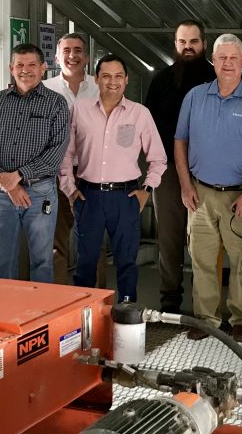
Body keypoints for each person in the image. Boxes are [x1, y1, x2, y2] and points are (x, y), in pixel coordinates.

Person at [174, 34, 242, 342]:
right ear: (213, 61)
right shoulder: (194, 97)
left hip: (238, 196)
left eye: (233, 58)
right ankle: (206, 319)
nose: (228, 64)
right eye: (222, 58)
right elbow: (180, 142)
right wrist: (185, 185)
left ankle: (241, 319)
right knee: (202, 259)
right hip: (200, 193)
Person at [59, 55, 166, 302]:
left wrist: (147, 190)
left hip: (125, 197)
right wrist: (70, 190)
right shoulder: (80, 110)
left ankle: (125, 319)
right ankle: (83, 318)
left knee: (127, 262)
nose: (112, 82)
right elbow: (66, 155)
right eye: (106, 76)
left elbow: (158, 158)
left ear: (126, 80)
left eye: (118, 76)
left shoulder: (140, 114)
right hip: (88, 196)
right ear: (96, 79)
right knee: (84, 264)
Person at [0, 43, 69, 282]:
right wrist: (8, 183)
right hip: (2, 194)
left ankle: (39, 317)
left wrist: (18, 175)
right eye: (19, 64)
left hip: (41, 193)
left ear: (43, 68)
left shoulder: (56, 104)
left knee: (42, 260)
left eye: (32, 65)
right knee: (3, 261)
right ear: (11, 68)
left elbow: (56, 152)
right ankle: (4, 315)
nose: (25, 70)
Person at [144, 20, 216, 313]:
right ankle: (169, 301)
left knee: (207, 242)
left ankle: (206, 305)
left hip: (208, 173)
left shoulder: (216, 78)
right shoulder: (161, 80)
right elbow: (147, 128)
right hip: (170, 172)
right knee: (170, 238)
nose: (188, 47)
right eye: (182, 42)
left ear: (204, 44)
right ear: (175, 45)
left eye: (194, 41)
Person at [43, 32, 101, 285]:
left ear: (86, 58)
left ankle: (97, 303)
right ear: (57, 57)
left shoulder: (100, 87)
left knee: (93, 241)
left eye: (78, 50)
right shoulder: (45, 89)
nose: (72, 55)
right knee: (56, 242)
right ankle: (60, 303)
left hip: (92, 173)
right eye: (66, 50)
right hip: (56, 174)